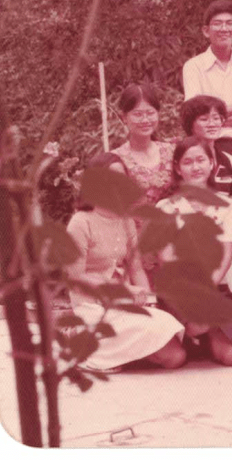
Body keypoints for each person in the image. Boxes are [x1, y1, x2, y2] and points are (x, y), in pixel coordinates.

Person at [64, 152, 186, 371]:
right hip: (91, 306)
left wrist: (149, 301)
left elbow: (136, 267)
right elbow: (76, 277)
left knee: (175, 357)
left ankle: (108, 350)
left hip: (123, 304)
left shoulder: (125, 219)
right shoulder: (80, 222)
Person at [155, 137, 232, 366]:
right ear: (178, 168)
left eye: (200, 160)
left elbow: (226, 254)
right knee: (178, 354)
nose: (195, 167)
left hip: (215, 288)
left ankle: (202, 336)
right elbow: (166, 258)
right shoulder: (165, 208)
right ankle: (193, 332)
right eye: (188, 162)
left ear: (212, 163)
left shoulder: (227, 206)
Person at [181, 0, 232, 161]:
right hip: (205, 147)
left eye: (229, 23)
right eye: (217, 23)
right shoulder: (193, 66)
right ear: (206, 31)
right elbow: (194, 114)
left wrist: (211, 121)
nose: (224, 29)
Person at [112, 83, 175, 206]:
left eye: (150, 113)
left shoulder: (172, 152)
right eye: (138, 114)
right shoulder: (116, 160)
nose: (145, 120)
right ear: (124, 117)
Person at [180, 95, 232, 195]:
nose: (212, 124)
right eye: (204, 119)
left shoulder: (231, 161)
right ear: (190, 124)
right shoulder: (182, 159)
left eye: (216, 118)